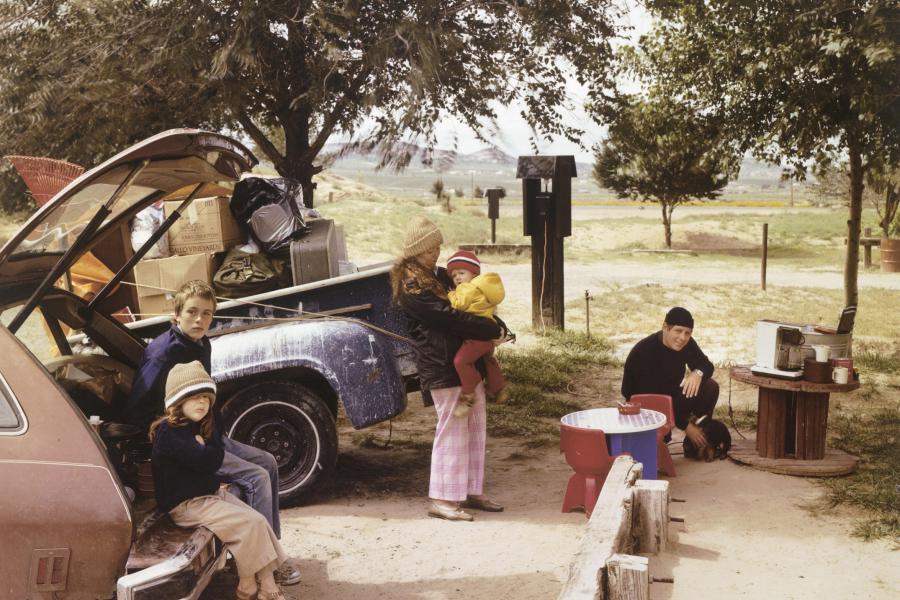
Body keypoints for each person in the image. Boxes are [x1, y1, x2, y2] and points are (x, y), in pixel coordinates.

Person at [124, 280, 301, 585]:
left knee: (268, 462)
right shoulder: (162, 354)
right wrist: (173, 433)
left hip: (209, 434)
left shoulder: (200, 343)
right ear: (175, 315)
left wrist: (210, 434)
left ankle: (271, 550)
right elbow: (137, 408)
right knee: (255, 476)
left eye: (206, 314)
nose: (199, 320)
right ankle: (264, 568)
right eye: (191, 312)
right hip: (186, 444)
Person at [391, 216, 505, 521]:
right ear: (416, 250)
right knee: (452, 430)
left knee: (475, 426)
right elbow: (447, 318)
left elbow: (472, 299)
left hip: (464, 362)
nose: (437, 253)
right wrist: (489, 330)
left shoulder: (436, 275)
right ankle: (441, 499)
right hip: (441, 364)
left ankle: (471, 490)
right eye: (431, 249)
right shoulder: (411, 284)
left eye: (438, 247)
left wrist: (495, 323)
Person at [149, 361, 292, 600]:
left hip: (208, 495)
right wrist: (207, 448)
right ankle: (265, 588)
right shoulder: (169, 433)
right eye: (193, 397)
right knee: (250, 524)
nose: (202, 403)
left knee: (257, 521)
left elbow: (212, 452)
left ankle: (249, 583)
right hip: (186, 505)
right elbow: (210, 461)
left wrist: (208, 446)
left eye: (206, 398)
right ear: (177, 402)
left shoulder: (198, 425)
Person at [621, 306, 719, 451]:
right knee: (659, 442)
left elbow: (706, 366)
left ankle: (696, 444)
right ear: (665, 327)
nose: (683, 338)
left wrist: (697, 373)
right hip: (643, 407)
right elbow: (646, 399)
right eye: (678, 331)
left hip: (669, 398)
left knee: (709, 386)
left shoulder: (686, 343)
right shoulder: (645, 352)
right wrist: (686, 425)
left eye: (688, 333)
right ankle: (684, 432)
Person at [445, 250, 508, 417]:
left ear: (473, 273)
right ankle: (499, 389)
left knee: (461, 362)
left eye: (461, 273)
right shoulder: (483, 288)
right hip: (487, 337)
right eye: (454, 275)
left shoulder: (467, 288)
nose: (457, 278)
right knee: (489, 361)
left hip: (476, 337)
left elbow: (458, 305)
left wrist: (449, 294)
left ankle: (468, 393)